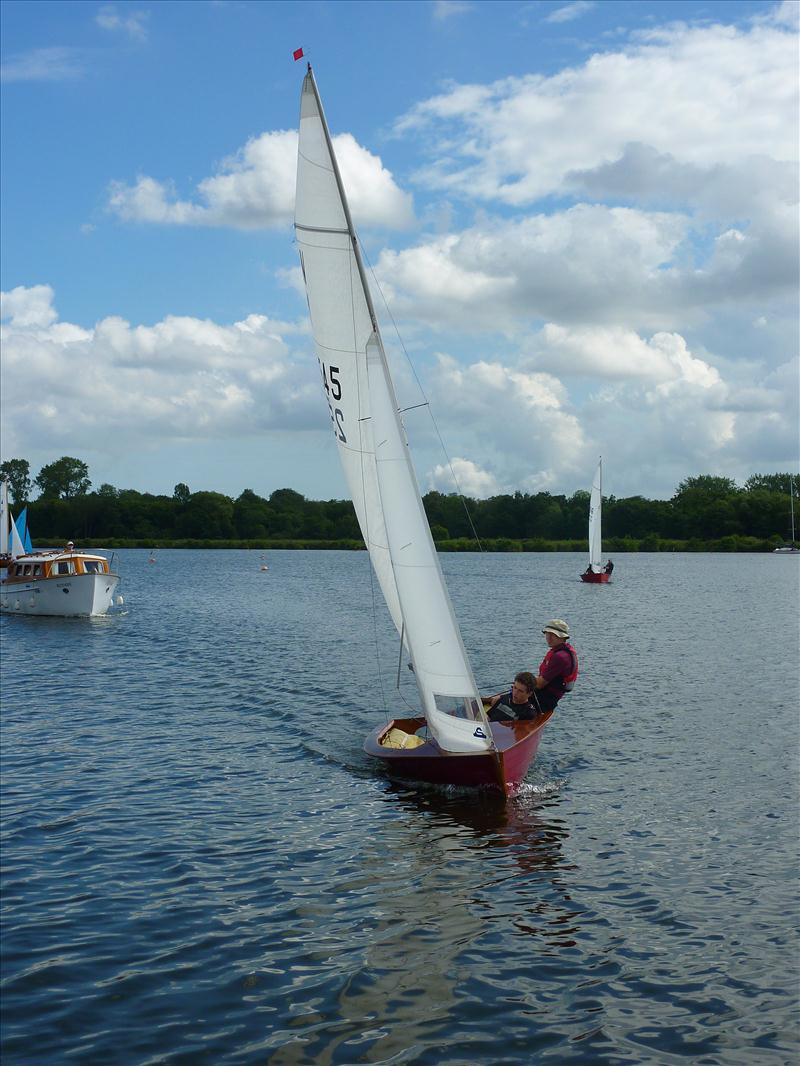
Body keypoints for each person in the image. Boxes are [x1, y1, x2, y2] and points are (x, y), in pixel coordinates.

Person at [531, 619, 578, 713]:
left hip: (544, 700)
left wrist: (523, 683)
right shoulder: (561, 651)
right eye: (547, 634)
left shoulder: (560, 657)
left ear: (562, 637)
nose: (548, 637)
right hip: (546, 696)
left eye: (553, 635)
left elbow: (540, 684)